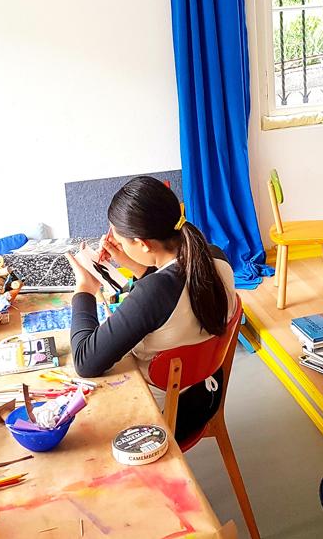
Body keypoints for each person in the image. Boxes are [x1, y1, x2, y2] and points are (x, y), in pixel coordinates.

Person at [66, 177, 237, 443]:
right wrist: (134, 265)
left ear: (144, 244)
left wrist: (84, 290)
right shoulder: (212, 256)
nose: (117, 246)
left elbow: (86, 362)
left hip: (166, 417)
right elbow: (176, 292)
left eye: (121, 242)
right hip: (206, 393)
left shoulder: (155, 292)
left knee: (75, 410)